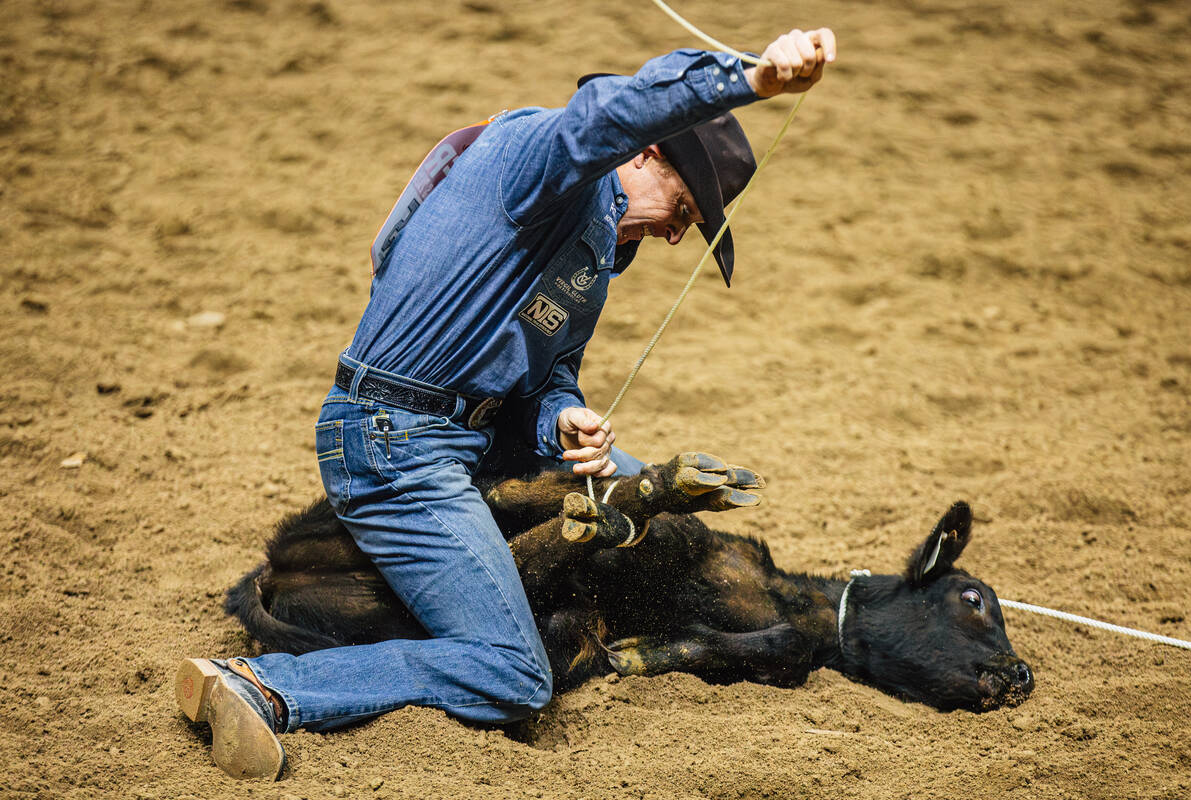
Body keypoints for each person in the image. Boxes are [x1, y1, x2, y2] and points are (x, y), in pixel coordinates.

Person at [175, 27, 836, 779]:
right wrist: (747, 79)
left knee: (632, 479)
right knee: (514, 672)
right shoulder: (542, 162)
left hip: (451, 436)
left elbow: (546, 379)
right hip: (395, 440)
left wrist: (563, 417)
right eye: (684, 209)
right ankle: (265, 686)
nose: (678, 237)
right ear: (648, 150)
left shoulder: (592, 250)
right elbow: (605, 113)